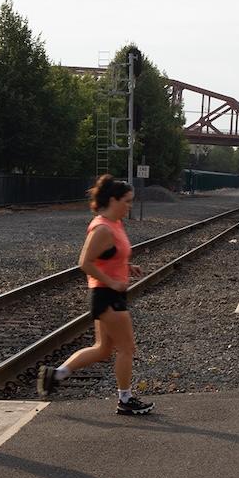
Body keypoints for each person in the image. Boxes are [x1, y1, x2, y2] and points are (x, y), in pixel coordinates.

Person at [37, 175, 151, 415]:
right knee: (127, 349)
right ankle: (125, 399)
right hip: (107, 295)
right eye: (127, 201)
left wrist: (127, 267)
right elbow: (85, 262)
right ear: (113, 200)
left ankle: (56, 375)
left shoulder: (116, 224)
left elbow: (109, 256)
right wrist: (112, 281)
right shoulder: (102, 228)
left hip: (109, 293)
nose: (130, 206)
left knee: (103, 349)